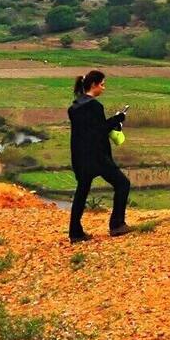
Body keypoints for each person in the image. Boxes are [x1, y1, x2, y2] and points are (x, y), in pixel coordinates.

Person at [67, 70, 132, 243]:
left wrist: (112, 121)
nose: (103, 87)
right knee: (123, 184)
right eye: (102, 84)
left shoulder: (74, 107)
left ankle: (75, 232)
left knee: (82, 192)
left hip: (80, 158)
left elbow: (88, 130)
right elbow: (99, 130)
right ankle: (117, 224)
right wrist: (118, 118)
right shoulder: (95, 106)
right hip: (97, 157)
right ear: (94, 84)